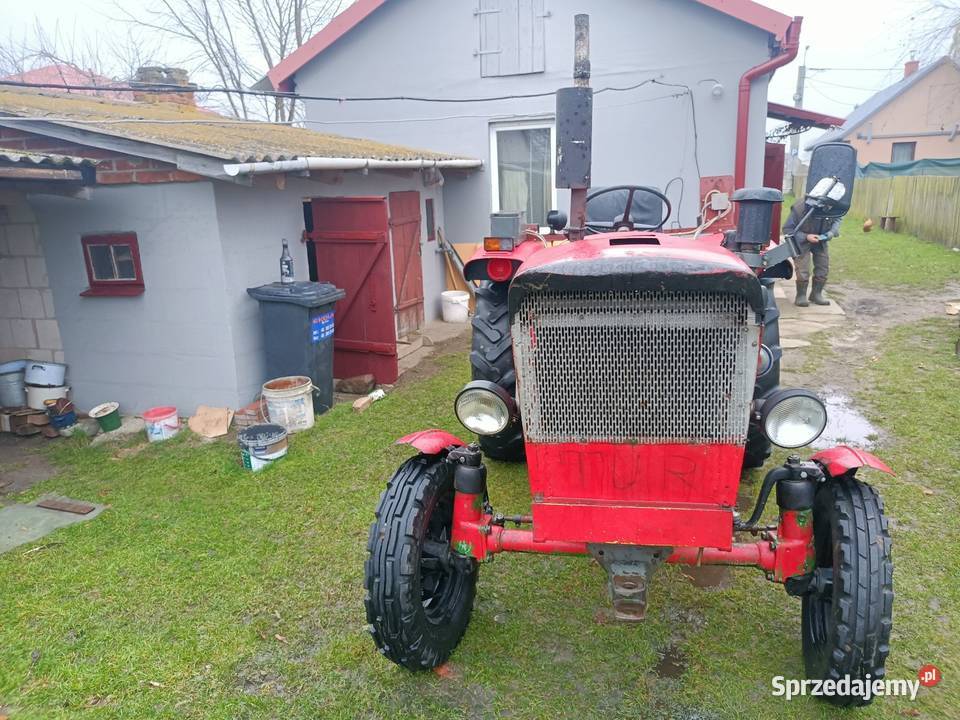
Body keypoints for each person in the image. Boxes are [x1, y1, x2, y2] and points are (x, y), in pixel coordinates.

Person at [782, 199, 841, 307]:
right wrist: (806, 237)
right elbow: (787, 229)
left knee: (823, 266)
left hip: (821, 239)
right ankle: (801, 295)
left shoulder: (834, 206)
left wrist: (831, 232)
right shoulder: (799, 208)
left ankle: (816, 294)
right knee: (803, 268)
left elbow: (838, 219)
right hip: (801, 240)